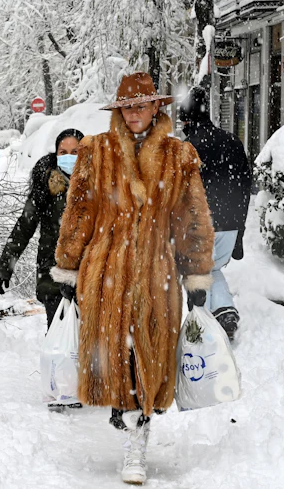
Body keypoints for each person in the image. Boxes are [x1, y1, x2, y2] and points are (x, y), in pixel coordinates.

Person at [52, 72, 214, 485]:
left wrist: (196, 274)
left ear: (157, 106)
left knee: (149, 355)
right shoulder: (96, 151)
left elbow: (192, 219)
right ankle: (125, 419)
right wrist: (68, 265)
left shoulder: (179, 156)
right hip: (104, 272)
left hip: (157, 273)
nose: (135, 113)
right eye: (127, 106)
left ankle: (137, 440)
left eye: (142, 105)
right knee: (114, 357)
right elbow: (79, 213)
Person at [179, 87, 252, 340]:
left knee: (196, 272)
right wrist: (239, 230)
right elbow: (245, 187)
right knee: (212, 268)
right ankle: (224, 311)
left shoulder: (188, 148)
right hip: (229, 224)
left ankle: (199, 324)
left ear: (186, 118)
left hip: (200, 225)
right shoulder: (232, 142)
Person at [0, 128, 85, 329]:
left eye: (75, 152)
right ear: (56, 155)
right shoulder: (45, 185)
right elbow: (24, 226)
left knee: (90, 345)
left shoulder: (98, 184)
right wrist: (5, 265)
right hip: (53, 273)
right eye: (63, 152)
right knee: (59, 340)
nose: (69, 157)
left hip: (90, 276)